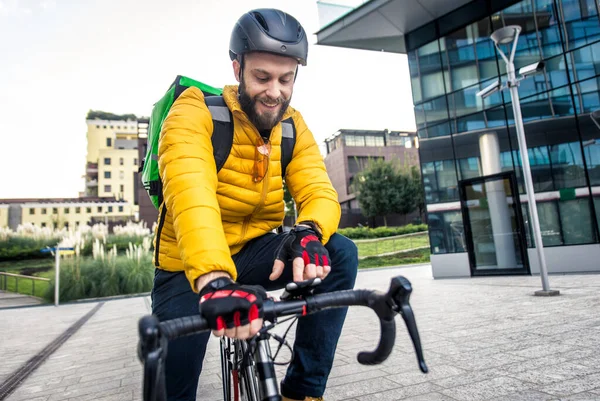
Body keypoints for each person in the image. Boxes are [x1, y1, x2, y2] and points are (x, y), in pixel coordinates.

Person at [151, 8, 358, 401]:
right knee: (172, 388)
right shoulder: (195, 111)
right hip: (187, 265)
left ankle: (303, 391)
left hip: (257, 251)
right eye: (262, 77)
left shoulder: (294, 126)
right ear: (237, 69)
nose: (274, 91)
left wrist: (308, 233)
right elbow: (190, 194)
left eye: (286, 79)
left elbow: (318, 189)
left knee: (340, 252)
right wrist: (214, 281)